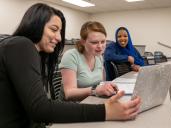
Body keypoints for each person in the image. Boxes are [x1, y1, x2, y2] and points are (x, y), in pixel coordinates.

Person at [0, 3, 141, 128]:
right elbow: (40, 109)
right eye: (53, 29)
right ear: (35, 24)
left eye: (60, 32)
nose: (60, 38)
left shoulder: (31, 52)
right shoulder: (20, 44)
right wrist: (106, 111)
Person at [59, 21, 118, 101]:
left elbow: (101, 83)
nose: (100, 46)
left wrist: (107, 87)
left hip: (91, 101)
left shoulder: (99, 57)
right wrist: (95, 90)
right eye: (94, 42)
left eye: (103, 42)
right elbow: (69, 93)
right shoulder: (71, 56)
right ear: (83, 42)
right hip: (72, 108)